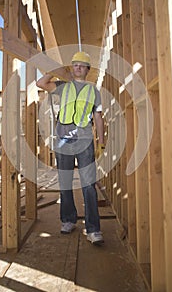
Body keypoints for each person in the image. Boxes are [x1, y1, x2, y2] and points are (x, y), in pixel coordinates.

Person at [36, 51, 105, 245]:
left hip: (84, 140)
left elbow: (98, 117)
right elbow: (41, 83)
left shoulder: (94, 92)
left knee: (88, 185)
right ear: (71, 67)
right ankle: (68, 220)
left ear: (88, 70)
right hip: (63, 139)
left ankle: (93, 229)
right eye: (75, 64)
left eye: (82, 65)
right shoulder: (62, 86)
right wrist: (57, 71)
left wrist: (100, 141)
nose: (78, 67)